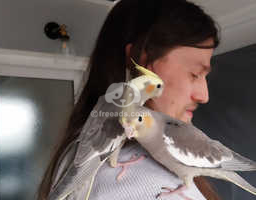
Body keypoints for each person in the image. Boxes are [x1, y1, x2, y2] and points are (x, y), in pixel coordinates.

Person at [38, 0, 221, 199]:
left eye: (204, 76)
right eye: (194, 74)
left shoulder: (72, 149)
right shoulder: (143, 185)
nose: (204, 96)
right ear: (137, 61)